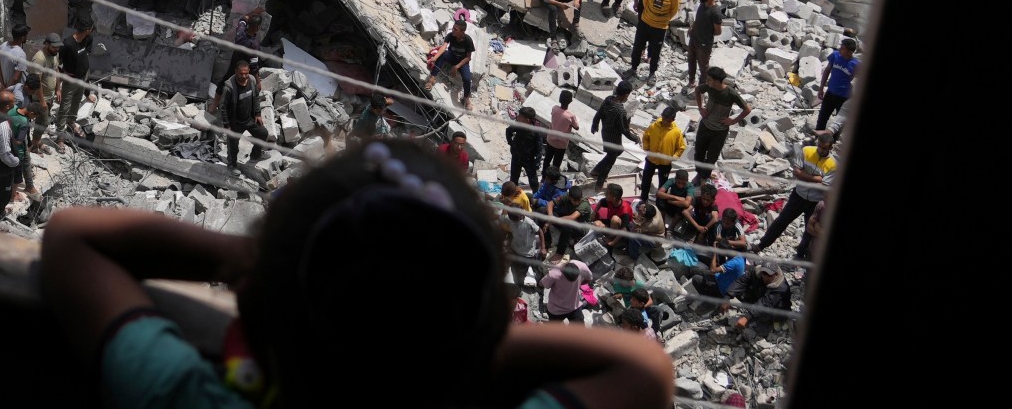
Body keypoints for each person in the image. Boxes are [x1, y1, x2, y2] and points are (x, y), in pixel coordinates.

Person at [40, 141, 676, 409]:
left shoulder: (186, 398)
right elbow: (643, 371)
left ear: (257, 303)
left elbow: (74, 238)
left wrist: (254, 264)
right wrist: (452, 340)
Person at [755, 131, 835, 251]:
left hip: (815, 201)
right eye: (819, 146)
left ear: (830, 148)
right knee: (781, 221)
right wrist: (816, 178)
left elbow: (823, 184)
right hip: (798, 195)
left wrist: (806, 176)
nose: (821, 150)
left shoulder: (833, 164)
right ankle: (761, 245)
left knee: (809, 230)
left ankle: (801, 253)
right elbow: (796, 172)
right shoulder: (807, 151)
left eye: (824, 148)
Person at [213, 60, 269, 166]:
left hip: (249, 119)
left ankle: (255, 155)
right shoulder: (229, 87)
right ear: (235, 71)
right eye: (241, 73)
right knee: (233, 147)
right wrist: (226, 125)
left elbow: (256, 97)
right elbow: (222, 107)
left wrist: (257, 114)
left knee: (263, 133)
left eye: (246, 73)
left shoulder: (252, 80)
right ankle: (232, 165)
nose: (244, 76)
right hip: (235, 123)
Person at [691, 67, 750, 169]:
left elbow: (747, 109)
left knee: (712, 157)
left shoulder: (731, 93)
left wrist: (733, 121)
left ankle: (704, 177)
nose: (707, 81)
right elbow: (697, 90)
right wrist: (700, 107)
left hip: (719, 131)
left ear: (717, 81)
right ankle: (699, 173)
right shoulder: (709, 87)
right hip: (705, 125)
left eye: (709, 79)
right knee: (699, 153)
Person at [631, 0, 680, 81]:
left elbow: (673, 11)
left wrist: (661, 20)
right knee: (638, 47)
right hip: (645, 23)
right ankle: (633, 68)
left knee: (655, 52)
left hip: (660, 28)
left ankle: (652, 73)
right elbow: (644, 2)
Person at [0, 87, 27, 220]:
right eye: (14, 102)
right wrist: (16, 162)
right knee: (2, 196)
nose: (16, 103)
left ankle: (0, 212)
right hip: (2, 166)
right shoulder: (2, 126)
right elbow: (5, 154)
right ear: (8, 106)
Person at [53, 23, 95, 141]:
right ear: (87, 30)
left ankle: (71, 121)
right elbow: (58, 65)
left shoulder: (88, 38)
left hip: (82, 77)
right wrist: (58, 87)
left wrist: (87, 93)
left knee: (76, 101)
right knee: (64, 107)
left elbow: (85, 56)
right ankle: (60, 137)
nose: (93, 31)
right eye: (92, 29)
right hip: (70, 80)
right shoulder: (67, 44)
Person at [589, 77, 633, 183]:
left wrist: (595, 124)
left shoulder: (608, 99)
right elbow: (625, 130)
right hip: (614, 137)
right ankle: (600, 180)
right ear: (626, 95)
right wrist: (635, 138)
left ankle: (596, 170)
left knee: (617, 152)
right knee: (611, 159)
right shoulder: (620, 111)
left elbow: (599, 112)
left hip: (605, 133)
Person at [637, 103, 685, 199]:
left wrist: (674, 157)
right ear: (661, 116)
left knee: (663, 184)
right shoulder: (653, 126)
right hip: (651, 159)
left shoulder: (676, 132)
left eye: (668, 121)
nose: (665, 122)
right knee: (646, 180)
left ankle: (660, 201)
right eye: (664, 119)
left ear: (672, 120)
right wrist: (646, 148)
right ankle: (643, 198)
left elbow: (681, 147)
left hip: (665, 163)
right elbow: (646, 137)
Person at [430, 16, 478, 107]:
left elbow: (468, 58)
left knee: (467, 79)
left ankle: (466, 98)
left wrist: (456, 67)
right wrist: (435, 58)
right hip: (452, 56)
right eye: (453, 28)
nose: (453, 30)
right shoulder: (450, 36)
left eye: (455, 29)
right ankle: (432, 78)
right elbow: (444, 47)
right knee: (444, 54)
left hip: (462, 62)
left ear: (462, 32)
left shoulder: (468, 40)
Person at [684, 0, 724, 88]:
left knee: (703, 68)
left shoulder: (715, 12)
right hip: (694, 38)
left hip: (704, 44)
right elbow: (699, 18)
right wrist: (693, 27)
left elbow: (718, 32)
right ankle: (691, 82)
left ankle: (702, 88)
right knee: (691, 61)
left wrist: (705, 32)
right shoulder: (703, 4)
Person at [819, 38, 861, 131]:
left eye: (842, 48)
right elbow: (827, 70)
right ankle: (817, 139)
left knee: (839, 124)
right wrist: (821, 87)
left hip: (844, 98)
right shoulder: (835, 55)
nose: (839, 49)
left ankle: (831, 143)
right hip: (830, 93)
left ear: (850, 52)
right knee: (822, 119)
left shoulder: (856, 64)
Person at [506, 106, 550, 192]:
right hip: (517, 156)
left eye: (520, 116)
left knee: (533, 181)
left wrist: (537, 162)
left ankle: (535, 197)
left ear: (527, 120)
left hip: (529, 160)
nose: (518, 117)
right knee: (514, 179)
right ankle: (512, 196)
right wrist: (511, 143)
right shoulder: (518, 125)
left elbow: (539, 149)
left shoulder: (535, 131)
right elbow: (508, 131)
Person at [544, 89, 580, 180]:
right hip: (561, 144)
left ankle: (544, 177)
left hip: (550, 140)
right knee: (556, 164)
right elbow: (576, 127)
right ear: (571, 101)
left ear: (559, 99)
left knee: (547, 160)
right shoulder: (571, 116)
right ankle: (553, 180)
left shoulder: (554, 108)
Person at [539, 260, 589, 324]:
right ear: (563, 273)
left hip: (574, 307)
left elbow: (541, 284)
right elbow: (542, 283)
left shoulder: (582, 266)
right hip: (557, 310)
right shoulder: (554, 273)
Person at [0, 26, 30, 100]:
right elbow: (15, 77)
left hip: (5, 86)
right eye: (26, 36)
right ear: (23, 37)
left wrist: (2, 85)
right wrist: (6, 90)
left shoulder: (3, 45)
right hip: (16, 90)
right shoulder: (21, 54)